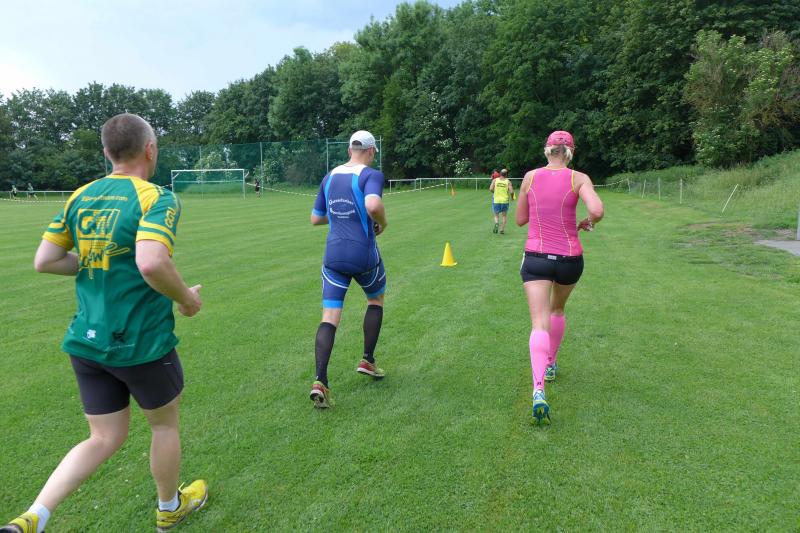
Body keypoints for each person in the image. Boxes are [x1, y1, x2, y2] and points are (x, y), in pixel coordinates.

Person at [1, 114, 208, 533]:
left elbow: (46, 260)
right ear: (150, 149)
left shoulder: (80, 195)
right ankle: (169, 507)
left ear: (106, 152)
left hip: (87, 341)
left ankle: (34, 516)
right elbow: (151, 262)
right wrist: (187, 300)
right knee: (163, 425)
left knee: (102, 437)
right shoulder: (156, 197)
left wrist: (95, 259)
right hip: (141, 343)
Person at [515, 130, 603, 425]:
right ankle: (551, 363)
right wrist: (588, 221)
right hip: (569, 259)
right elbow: (597, 209)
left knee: (538, 322)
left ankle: (538, 388)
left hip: (537, 257)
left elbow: (520, 219)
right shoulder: (579, 178)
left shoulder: (530, 177)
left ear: (547, 150)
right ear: (570, 152)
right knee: (557, 310)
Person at [309, 130, 388, 408]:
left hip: (333, 256)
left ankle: (320, 381)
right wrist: (383, 223)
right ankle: (367, 360)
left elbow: (316, 218)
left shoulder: (329, 177)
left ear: (348, 150)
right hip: (362, 253)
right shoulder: (371, 174)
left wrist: (340, 215)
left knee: (329, 317)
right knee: (375, 299)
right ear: (372, 151)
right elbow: (373, 204)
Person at [489, 169, 514, 234]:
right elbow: (511, 192)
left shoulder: (495, 180)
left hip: (496, 200)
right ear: (506, 174)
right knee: (504, 216)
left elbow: (491, 189)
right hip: (504, 201)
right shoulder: (508, 181)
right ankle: (502, 229)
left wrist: (494, 192)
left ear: (500, 173)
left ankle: (496, 223)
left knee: (496, 215)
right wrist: (512, 197)